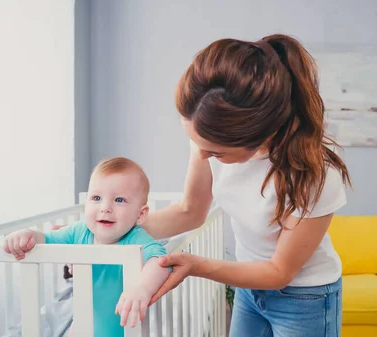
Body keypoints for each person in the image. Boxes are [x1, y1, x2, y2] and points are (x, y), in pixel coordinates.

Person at [141, 34, 352, 337]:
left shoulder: (315, 176)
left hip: (305, 298)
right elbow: (189, 211)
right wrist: (102, 230)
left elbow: (279, 272)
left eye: (214, 152)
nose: (201, 156)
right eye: (196, 143)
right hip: (248, 288)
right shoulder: (207, 138)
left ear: (257, 137)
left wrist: (196, 265)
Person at [3, 157, 170, 336]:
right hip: (83, 326)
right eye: (96, 198)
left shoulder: (136, 239)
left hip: (123, 329)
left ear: (141, 214)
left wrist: (142, 289)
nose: (105, 207)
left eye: (119, 200)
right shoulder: (79, 231)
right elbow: (46, 239)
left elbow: (160, 261)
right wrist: (29, 235)